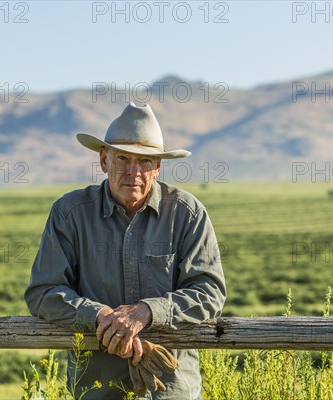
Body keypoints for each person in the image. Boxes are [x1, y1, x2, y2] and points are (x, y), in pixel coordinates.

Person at [24, 102, 227, 400]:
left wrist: (147, 311)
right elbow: (43, 292)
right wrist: (99, 316)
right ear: (104, 160)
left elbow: (210, 292)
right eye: (123, 158)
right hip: (97, 389)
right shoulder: (70, 213)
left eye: (145, 162)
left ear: (157, 167)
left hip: (170, 389)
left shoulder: (187, 214)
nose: (133, 172)